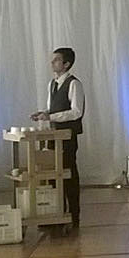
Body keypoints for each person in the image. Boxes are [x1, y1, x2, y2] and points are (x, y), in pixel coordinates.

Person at [31, 47, 84, 230]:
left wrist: (51, 116)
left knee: (68, 175)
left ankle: (74, 216)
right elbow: (52, 108)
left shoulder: (74, 84)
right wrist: (43, 114)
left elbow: (76, 112)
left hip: (67, 137)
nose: (52, 63)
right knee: (52, 176)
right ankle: (56, 215)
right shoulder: (52, 84)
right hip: (53, 136)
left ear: (66, 64)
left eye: (56, 60)